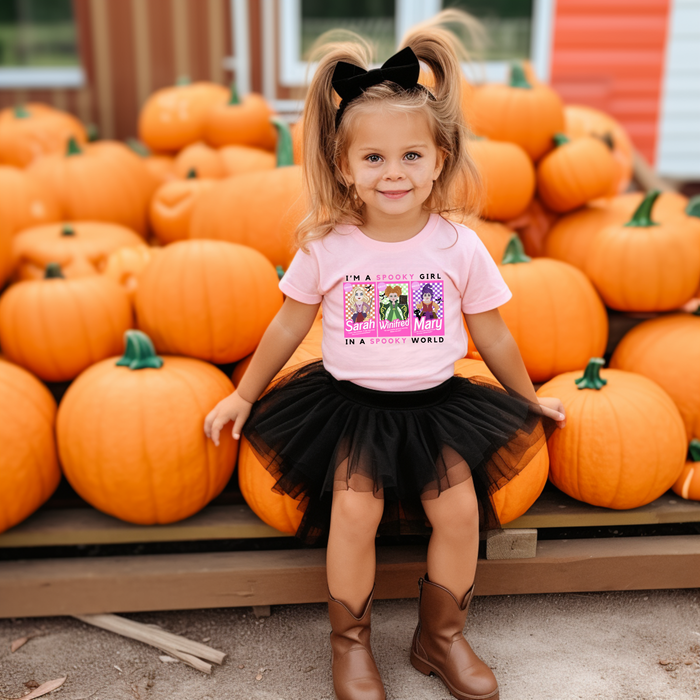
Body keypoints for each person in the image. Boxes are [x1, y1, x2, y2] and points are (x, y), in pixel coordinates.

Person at [204, 11, 566, 700]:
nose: (393, 173)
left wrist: (525, 397)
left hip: (439, 407)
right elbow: (286, 327)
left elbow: (493, 335)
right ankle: (350, 645)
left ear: (439, 162)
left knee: (460, 514)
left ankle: (442, 638)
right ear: (344, 166)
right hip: (352, 410)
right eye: (373, 158)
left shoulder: (458, 246)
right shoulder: (328, 245)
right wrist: (244, 393)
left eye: (410, 157)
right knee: (353, 514)